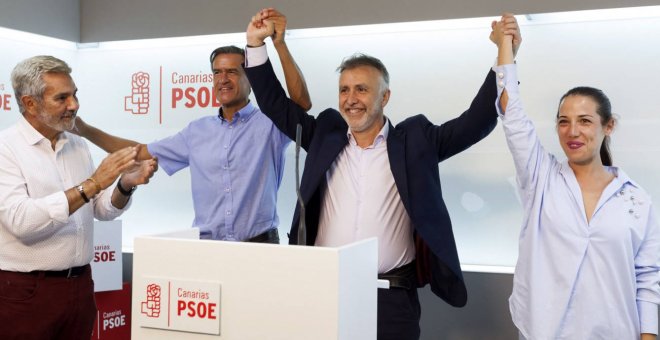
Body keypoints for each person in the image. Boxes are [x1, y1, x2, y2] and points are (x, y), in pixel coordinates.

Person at [244, 9, 521, 340]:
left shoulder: (416, 142)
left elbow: (476, 121)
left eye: (361, 89)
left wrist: (505, 56)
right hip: (323, 290)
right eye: (344, 90)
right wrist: (254, 44)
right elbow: (276, 105)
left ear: (384, 97)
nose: (351, 99)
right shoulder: (324, 136)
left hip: (390, 300)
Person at [75, 8, 311, 243]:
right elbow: (136, 153)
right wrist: (85, 130)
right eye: (217, 72)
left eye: (232, 71)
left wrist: (279, 44)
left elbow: (301, 104)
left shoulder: (271, 123)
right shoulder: (196, 131)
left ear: (251, 79)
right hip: (205, 249)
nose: (223, 79)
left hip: (259, 247)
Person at [492, 16, 660, 340]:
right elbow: (511, 115)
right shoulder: (541, 178)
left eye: (584, 121)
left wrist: (648, 336)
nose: (572, 132)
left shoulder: (638, 200)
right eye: (563, 121)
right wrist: (506, 48)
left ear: (607, 126)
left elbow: (648, 278)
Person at [0, 55, 157, 339]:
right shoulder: (5, 148)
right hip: (26, 292)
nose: (74, 105)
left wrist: (124, 185)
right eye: (62, 98)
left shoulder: (76, 144)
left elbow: (99, 210)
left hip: (80, 286)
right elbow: (21, 222)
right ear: (29, 103)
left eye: (74, 95)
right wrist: (94, 182)